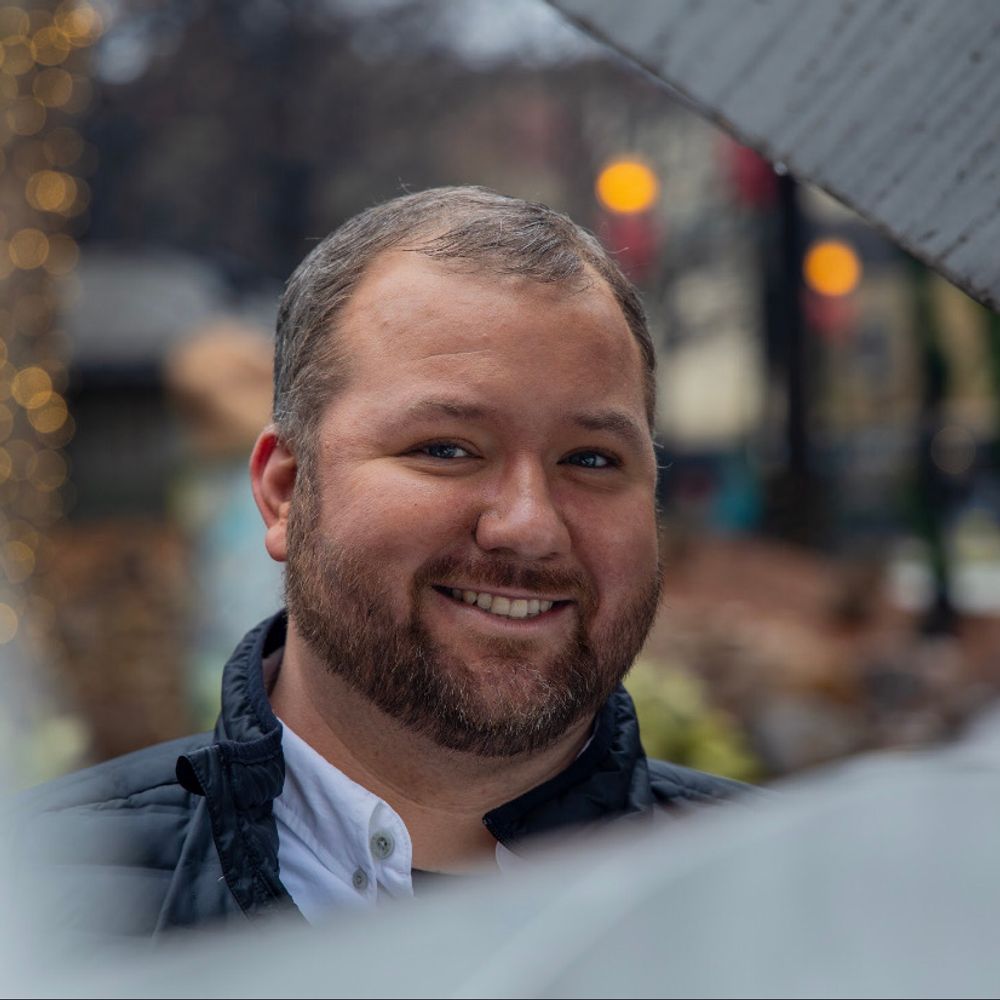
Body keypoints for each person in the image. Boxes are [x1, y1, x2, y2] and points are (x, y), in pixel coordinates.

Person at [11, 187, 743, 940]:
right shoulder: (36, 912)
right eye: (446, 449)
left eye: (591, 459)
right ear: (285, 491)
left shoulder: (796, 907)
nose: (528, 526)